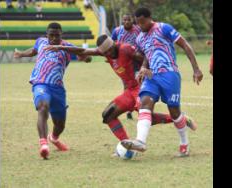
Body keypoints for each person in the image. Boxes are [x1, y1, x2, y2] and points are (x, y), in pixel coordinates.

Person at [44, 35, 197, 155]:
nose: (109, 53)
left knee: (144, 118)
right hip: (129, 91)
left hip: (140, 87)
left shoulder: (125, 49)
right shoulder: (105, 53)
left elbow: (146, 56)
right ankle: (127, 144)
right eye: (106, 53)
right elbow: (83, 51)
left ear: (113, 44)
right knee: (107, 115)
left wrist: (145, 70)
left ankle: (179, 118)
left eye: (110, 50)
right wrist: (60, 47)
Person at [120, 7, 203, 157]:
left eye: (143, 22)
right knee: (145, 102)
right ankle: (140, 142)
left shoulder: (164, 28)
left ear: (150, 18)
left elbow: (185, 45)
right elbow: (147, 52)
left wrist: (196, 69)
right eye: (138, 23)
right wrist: (144, 67)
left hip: (170, 74)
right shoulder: (140, 37)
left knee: (174, 112)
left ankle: (184, 144)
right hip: (152, 76)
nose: (141, 26)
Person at [14, 22, 91, 159]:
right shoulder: (41, 41)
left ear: (62, 35)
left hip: (57, 88)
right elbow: (33, 51)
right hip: (40, 83)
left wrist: (79, 55)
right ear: (46, 35)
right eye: (51, 35)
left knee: (60, 124)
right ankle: (43, 144)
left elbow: (87, 58)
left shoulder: (67, 47)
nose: (54, 39)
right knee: (42, 107)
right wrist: (21, 54)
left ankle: (54, 138)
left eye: (57, 36)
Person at [112, 13, 141, 120]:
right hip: (124, 64)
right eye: (125, 20)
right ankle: (128, 109)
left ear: (132, 20)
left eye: (129, 20)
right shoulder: (117, 31)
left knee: (139, 84)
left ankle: (140, 108)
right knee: (127, 87)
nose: (127, 22)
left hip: (137, 62)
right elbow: (112, 44)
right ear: (122, 21)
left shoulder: (138, 30)